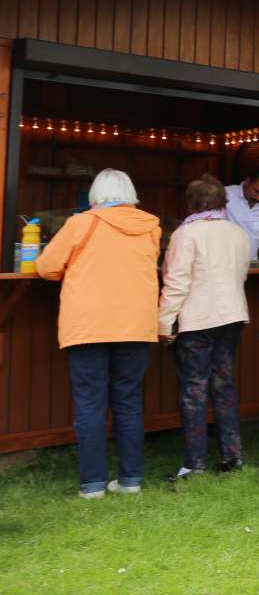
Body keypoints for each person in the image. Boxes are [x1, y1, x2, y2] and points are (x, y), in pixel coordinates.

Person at [35, 168, 161, 498]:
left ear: (95, 195)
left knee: (90, 404)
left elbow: (47, 267)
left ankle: (92, 485)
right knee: (129, 403)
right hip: (136, 325)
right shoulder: (151, 226)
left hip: (89, 325)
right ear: (130, 193)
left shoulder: (81, 223)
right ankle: (131, 480)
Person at [159, 174, 251, 481]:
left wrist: (164, 323)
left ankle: (194, 464)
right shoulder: (238, 233)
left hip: (197, 320)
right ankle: (233, 456)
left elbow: (176, 282)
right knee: (225, 386)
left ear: (191, 203)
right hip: (232, 316)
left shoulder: (185, 234)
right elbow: (242, 273)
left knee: (194, 390)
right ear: (223, 203)